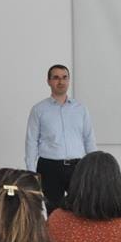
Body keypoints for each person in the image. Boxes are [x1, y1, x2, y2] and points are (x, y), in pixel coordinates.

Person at [25, 64, 96, 212]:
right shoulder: (39, 109)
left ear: (69, 80)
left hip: (77, 167)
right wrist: (31, 173)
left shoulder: (81, 109)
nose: (61, 81)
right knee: (53, 213)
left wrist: (95, 166)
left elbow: (89, 139)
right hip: (49, 167)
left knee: (81, 210)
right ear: (49, 81)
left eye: (64, 77)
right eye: (56, 78)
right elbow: (31, 141)